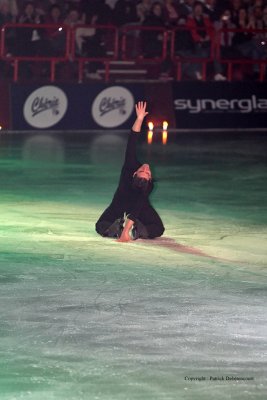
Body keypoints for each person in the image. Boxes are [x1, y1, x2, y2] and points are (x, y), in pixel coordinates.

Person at [95, 101, 165, 243]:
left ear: (135, 173)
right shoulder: (130, 167)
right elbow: (132, 141)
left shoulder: (137, 175)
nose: (146, 168)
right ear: (134, 174)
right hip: (119, 207)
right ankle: (128, 228)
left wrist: (126, 231)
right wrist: (139, 119)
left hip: (135, 208)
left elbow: (139, 205)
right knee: (100, 226)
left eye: (144, 171)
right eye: (147, 172)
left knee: (159, 229)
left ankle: (132, 229)